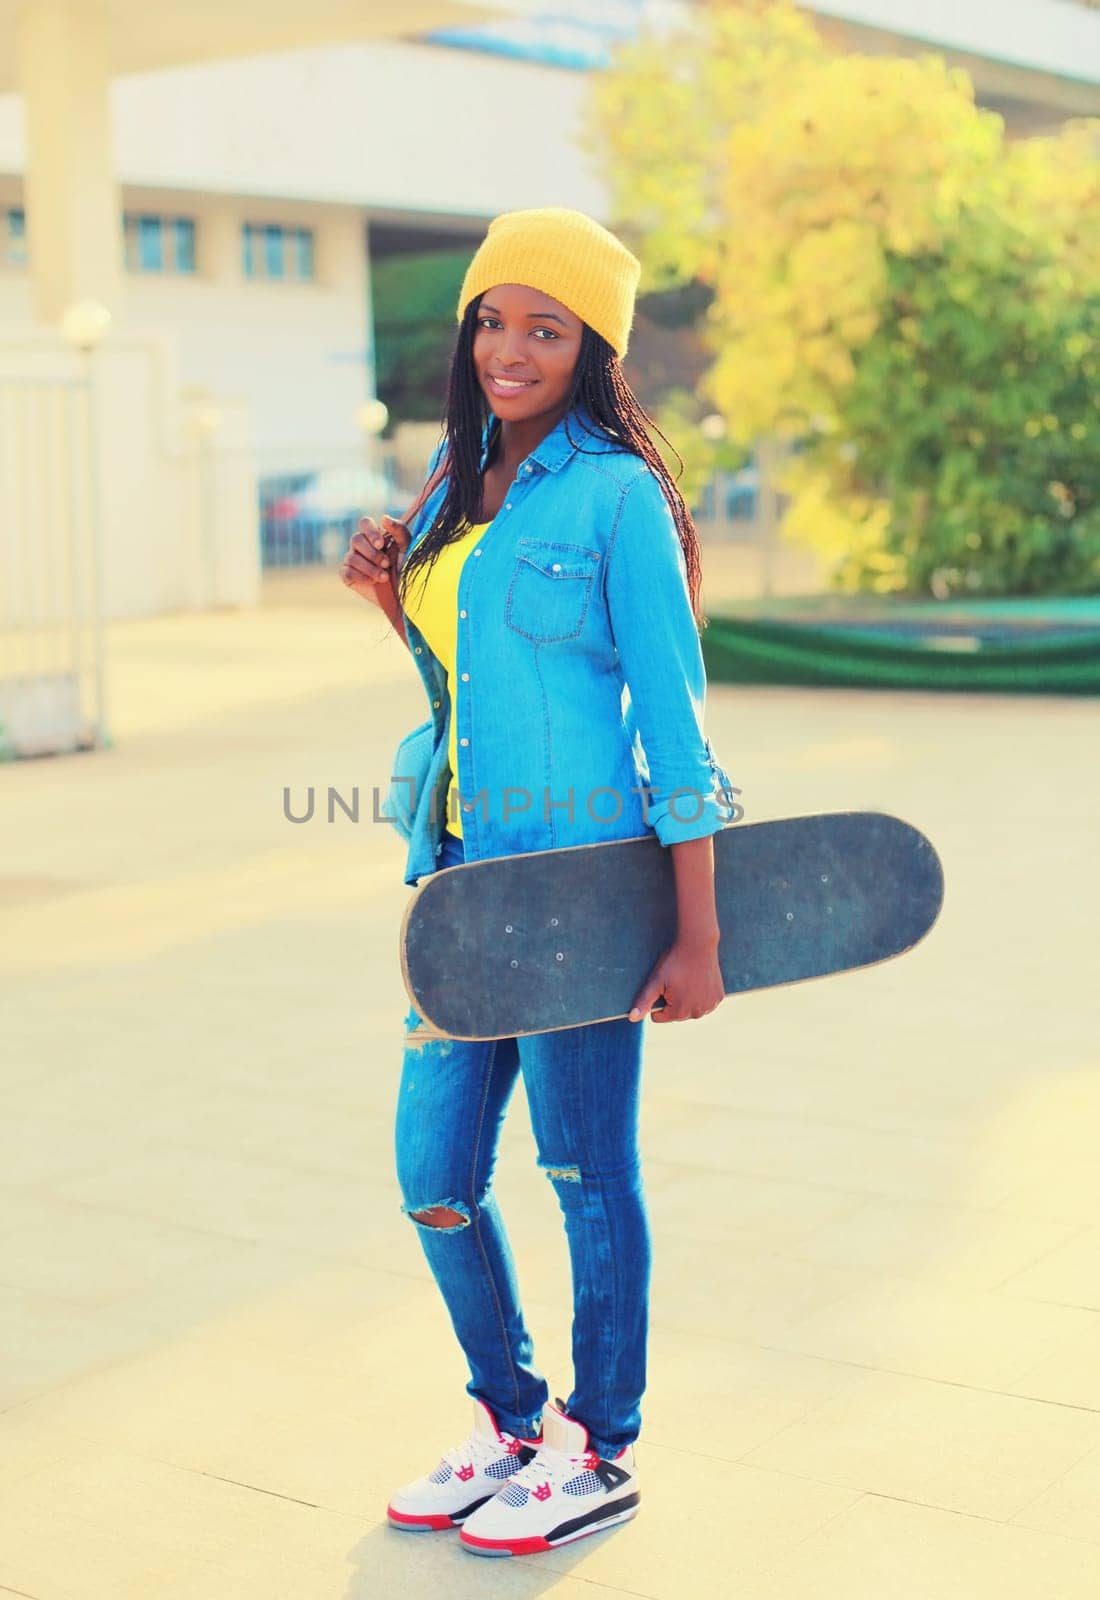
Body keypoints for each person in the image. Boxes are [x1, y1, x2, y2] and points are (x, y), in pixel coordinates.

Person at [340, 207, 737, 1559]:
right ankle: (510, 1420)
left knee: (580, 1168)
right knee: (434, 1173)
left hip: (584, 892)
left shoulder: (617, 495)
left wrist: (698, 932)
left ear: (593, 349)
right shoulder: (449, 485)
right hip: (457, 888)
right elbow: (471, 682)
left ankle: (601, 1442)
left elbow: (675, 725)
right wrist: (397, 607)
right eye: (494, 321)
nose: (513, 349)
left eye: (547, 328)